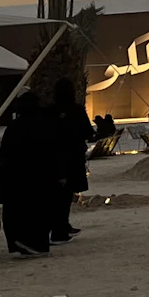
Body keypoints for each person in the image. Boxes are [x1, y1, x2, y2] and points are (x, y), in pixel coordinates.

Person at [0, 96, 53, 257]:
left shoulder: (15, 128)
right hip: (38, 176)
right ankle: (35, 243)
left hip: (18, 177)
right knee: (38, 210)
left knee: (19, 211)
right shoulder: (42, 126)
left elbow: (6, 156)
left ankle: (21, 242)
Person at [48, 76, 91, 243]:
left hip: (54, 157)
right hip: (71, 157)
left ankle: (62, 225)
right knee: (65, 196)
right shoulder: (76, 110)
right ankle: (59, 230)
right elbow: (87, 132)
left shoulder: (51, 111)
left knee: (57, 194)